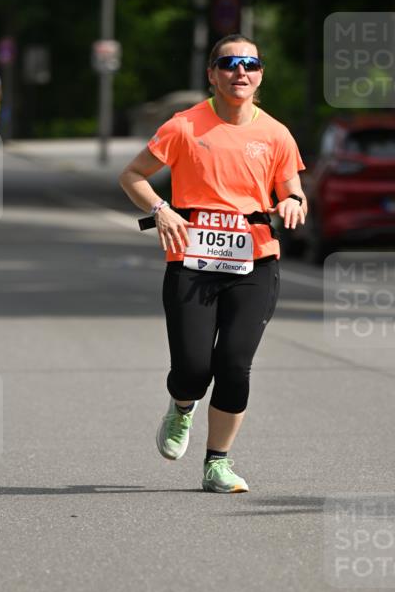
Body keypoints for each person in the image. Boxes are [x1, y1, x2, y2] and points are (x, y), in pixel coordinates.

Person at [119, 34, 307, 493]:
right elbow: (132, 175)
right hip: (192, 259)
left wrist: (294, 204)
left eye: (251, 64)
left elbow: (293, 189)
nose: (240, 72)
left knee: (235, 363)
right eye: (229, 64)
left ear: (260, 74)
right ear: (212, 74)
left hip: (255, 262)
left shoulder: (275, 134)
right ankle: (182, 407)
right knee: (192, 368)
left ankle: (217, 463)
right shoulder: (185, 127)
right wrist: (160, 209)